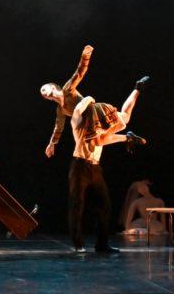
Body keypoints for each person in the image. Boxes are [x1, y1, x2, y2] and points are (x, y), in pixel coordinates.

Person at [40, 45, 148, 158]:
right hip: (88, 124)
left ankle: (137, 89)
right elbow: (58, 127)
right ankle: (128, 137)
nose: (43, 93)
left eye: (43, 89)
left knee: (124, 118)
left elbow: (79, 73)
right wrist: (52, 143)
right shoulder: (60, 110)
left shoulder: (67, 89)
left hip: (95, 113)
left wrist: (85, 55)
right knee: (99, 140)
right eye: (42, 94)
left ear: (52, 87)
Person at [68, 96, 119, 253]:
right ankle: (78, 244)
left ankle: (102, 244)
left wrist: (127, 137)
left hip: (95, 169)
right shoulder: (78, 125)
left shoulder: (99, 129)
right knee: (77, 205)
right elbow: (77, 110)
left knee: (104, 205)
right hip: (80, 167)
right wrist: (88, 99)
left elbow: (112, 134)